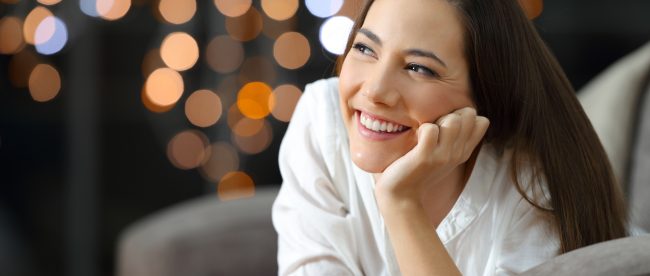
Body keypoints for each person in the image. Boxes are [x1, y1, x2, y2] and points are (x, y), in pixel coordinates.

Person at [272, 0, 629, 275]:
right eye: (365, 48)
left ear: (484, 95)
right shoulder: (323, 119)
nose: (376, 90)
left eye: (418, 68)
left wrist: (402, 204)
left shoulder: (532, 189)